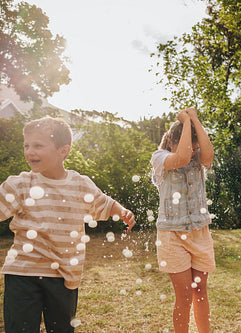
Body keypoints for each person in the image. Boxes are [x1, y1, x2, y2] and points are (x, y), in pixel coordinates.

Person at [0, 116, 136, 333]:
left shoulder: (80, 185)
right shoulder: (20, 184)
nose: (30, 151)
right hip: (23, 272)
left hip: (63, 275)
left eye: (38, 145)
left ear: (63, 151)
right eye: (27, 145)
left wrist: (122, 212)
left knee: (62, 328)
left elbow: (103, 203)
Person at [150, 107, 215, 333]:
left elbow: (208, 156)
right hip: (172, 235)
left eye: (195, 147)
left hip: (199, 232)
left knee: (200, 291)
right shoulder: (159, 158)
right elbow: (181, 157)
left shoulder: (198, 155)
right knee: (185, 295)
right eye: (190, 145)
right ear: (170, 142)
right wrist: (186, 123)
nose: (193, 151)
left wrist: (195, 119)